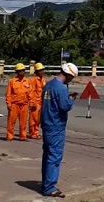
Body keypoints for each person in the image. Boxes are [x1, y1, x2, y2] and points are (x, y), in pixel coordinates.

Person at [41, 63, 79, 198]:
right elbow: (65, 106)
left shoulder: (48, 85)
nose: (71, 79)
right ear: (68, 74)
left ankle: (45, 184)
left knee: (47, 156)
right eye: (72, 77)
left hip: (46, 124)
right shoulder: (61, 88)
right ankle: (49, 187)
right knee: (54, 158)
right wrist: (71, 99)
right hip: (56, 126)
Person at [6, 63, 32, 141]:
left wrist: (31, 103)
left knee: (23, 122)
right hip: (14, 104)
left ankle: (23, 136)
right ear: (17, 72)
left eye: (23, 70)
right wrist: (9, 103)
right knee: (11, 121)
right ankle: (9, 136)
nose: (22, 72)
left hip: (24, 105)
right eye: (20, 71)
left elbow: (30, 93)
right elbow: (8, 93)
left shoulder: (27, 81)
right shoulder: (12, 81)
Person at [29, 62, 47, 139]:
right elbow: (31, 92)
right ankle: (32, 133)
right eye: (40, 70)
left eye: (42, 70)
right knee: (33, 119)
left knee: (38, 120)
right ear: (36, 71)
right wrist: (32, 103)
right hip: (35, 102)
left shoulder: (43, 80)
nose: (42, 71)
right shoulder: (33, 80)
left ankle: (36, 132)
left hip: (41, 102)